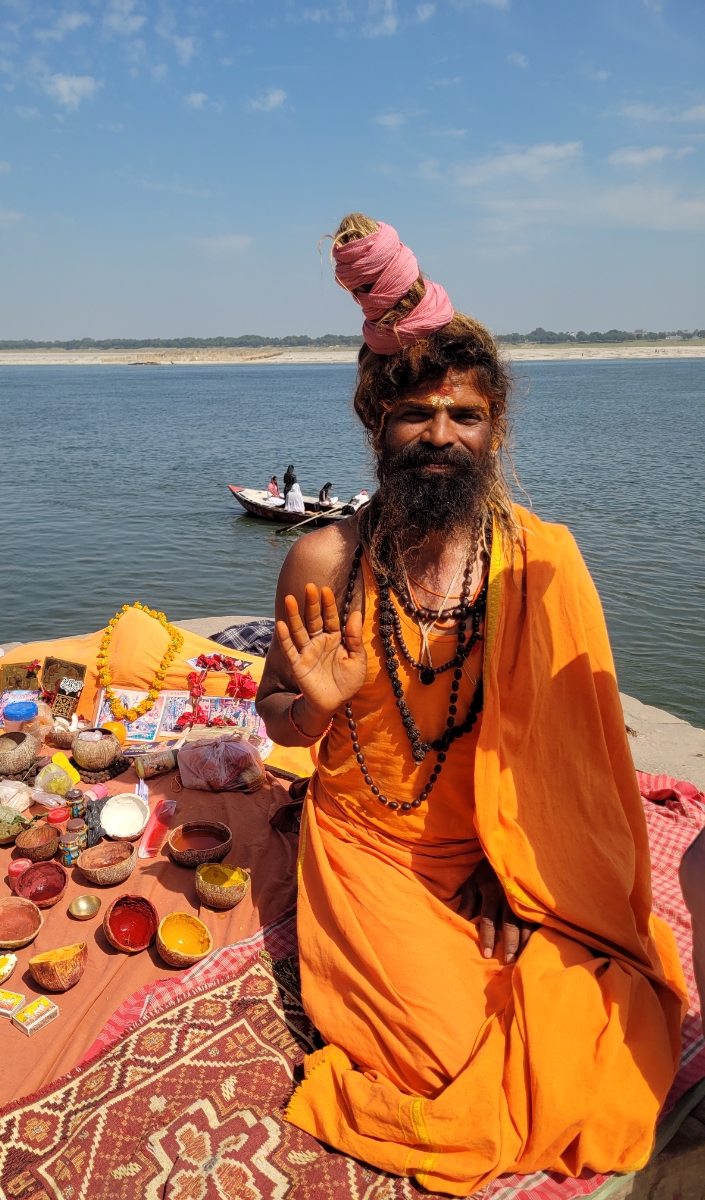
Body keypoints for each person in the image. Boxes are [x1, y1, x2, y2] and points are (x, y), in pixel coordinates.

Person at [255, 213, 686, 1196]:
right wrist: (314, 708)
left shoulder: (542, 559)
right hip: (368, 844)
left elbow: (571, 759)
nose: (441, 436)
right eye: (418, 416)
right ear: (377, 424)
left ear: (494, 428)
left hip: (502, 845)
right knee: (442, 1052)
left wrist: (517, 869)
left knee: (610, 1016)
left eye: (466, 415)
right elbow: (276, 713)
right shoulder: (326, 560)